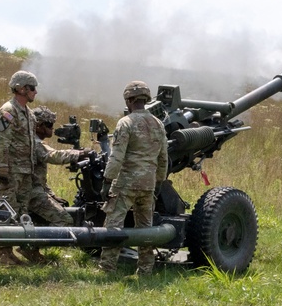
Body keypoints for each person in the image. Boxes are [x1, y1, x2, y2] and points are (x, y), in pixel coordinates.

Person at [98, 81, 168, 275]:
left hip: (125, 184)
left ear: (129, 100)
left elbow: (116, 156)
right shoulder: (158, 124)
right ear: (145, 99)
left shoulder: (126, 122)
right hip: (148, 185)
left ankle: (107, 268)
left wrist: (107, 181)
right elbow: (163, 158)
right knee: (145, 228)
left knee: (113, 225)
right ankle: (145, 270)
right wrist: (159, 181)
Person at [16, 106, 89, 264]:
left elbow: (38, 177)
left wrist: (52, 195)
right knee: (64, 221)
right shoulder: (33, 143)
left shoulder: (31, 140)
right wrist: (78, 153)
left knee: (56, 211)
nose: (52, 128)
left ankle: (31, 248)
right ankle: (29, 248)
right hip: (31, 194)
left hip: (32, 190)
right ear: (38, 126)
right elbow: (52, 155)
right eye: (48, 125)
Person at [0, 70, 38, 266]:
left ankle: (17, 249)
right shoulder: (8, 111)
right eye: (32, 88)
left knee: (21, 211)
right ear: (21, 89)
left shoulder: (28, 113)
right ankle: (4, 253)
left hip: (25, 172)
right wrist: (2, 170)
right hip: (11, 172)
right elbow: (1, 143)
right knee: (6, 211)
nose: (35, 92)